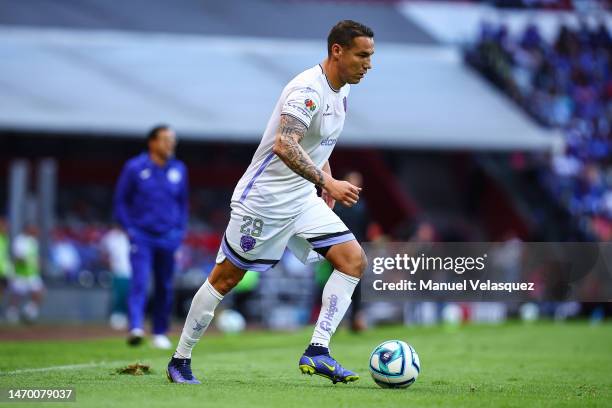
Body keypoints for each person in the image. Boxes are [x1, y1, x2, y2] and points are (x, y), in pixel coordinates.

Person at [167, 20, 374, 384]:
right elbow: (285, 144)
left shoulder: (342, 89)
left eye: (371, 56)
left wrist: (322, 179)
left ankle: (318, 351)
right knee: (226, 279)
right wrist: (327, 181)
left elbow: (315, 143)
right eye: (362, 55)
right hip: (264, 200)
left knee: (353, 260)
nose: (368, 64)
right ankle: (180, 360)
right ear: (337, 51)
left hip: (301, 197)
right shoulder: (307, 90)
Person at [114, 125, 189, 349]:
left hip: (169, 237)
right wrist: (131, 230)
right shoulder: (134, 167)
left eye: (173, 140)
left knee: (165, 285)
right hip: (142, 236)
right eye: (166, 139)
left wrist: (179, 232)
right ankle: (136, 327)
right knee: (140, 281)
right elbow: (120, 201)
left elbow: (183, 203)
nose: (170, 144)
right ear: (152, 143)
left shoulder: (179, 169)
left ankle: (159, 332)